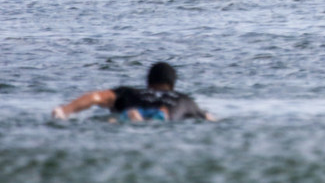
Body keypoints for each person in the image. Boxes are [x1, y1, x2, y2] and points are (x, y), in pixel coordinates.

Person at [51, 61, 214, 122]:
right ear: (173, 85)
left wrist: (65, 110)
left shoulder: (129, 93)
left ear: (148, 82)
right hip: (167, 113)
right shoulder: (184, 99)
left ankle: (135, 116)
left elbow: (95, 97)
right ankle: (154, 116)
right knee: (158, 118)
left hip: (132, 109)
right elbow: (208, 118)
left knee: (120, 119)